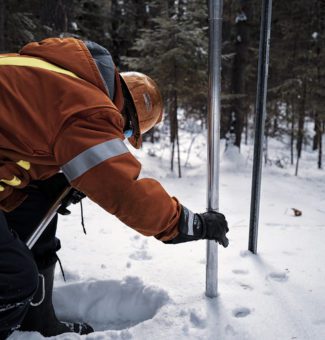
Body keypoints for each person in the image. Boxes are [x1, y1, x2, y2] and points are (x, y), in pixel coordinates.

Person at [0, 37, 229, 338]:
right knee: (13, 277)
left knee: (37, 210)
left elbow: (20, 137)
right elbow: (125, 190)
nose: (122, 135)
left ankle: (37, 321)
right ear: (125, 115)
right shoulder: (90, 110)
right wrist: (188, 224)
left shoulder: (60, 73)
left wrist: (51, 178)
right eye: (129, 131)